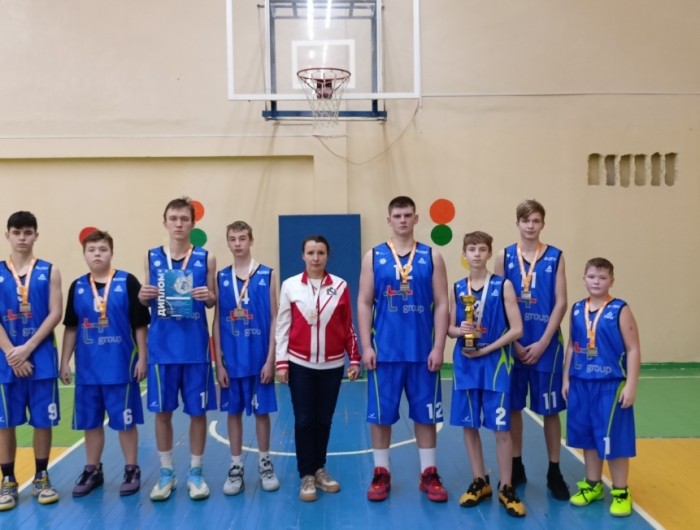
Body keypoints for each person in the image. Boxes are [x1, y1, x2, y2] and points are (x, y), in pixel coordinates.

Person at [357, 196, 450, 503]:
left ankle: (429, 473)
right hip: (384, 352)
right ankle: (381, 472)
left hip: (423, 352)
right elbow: (364, 302)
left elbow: (442, 303)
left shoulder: (432, 256)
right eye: (397, 216)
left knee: (426, 416)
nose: (402, 220)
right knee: (380, 417)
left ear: (416, 218)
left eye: (408, 215)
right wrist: (365, 346)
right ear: (389, 220)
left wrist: (439, 346)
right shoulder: (373, 256)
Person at [138, 197, 217, 501]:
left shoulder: (206, 258)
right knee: (163, 412)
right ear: (165, 222)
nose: (179, 224)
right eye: (173, 218)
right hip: (161, 348)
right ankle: (166, 472)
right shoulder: (151, 256)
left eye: (184, 219)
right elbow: (145, 298)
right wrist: (143, 295)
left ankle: (195, 473)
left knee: (197, 412)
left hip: (195, 349)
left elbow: (213, 300)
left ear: (193, 223)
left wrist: (208, 296)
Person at [60, 230, 149, 497]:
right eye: (92, 250)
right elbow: (71, 327)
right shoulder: (77, 286)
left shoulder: (127, 282)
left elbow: (140, 325)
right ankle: (92, 470)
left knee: (125, 423)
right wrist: (64, 361)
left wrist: (143, 357)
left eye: (102, 249)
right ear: (84, 254)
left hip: (121, 367)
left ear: (111, 253)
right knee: (91, 423)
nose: (97, 254)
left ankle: (131, 468)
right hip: (88, 370)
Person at [494, 199, 570, 500]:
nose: (530, 225)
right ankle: (516, 466)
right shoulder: (504, 256)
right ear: (517, 223)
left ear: (542, 224)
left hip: (545, 345)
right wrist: (512, 341)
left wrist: (544, 341)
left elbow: (561, 302)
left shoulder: (555, 256)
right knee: (514, 407)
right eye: (525, 220)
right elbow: (497, 300)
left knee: (550, 411)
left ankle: (554, 471)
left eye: (535, 220)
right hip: (514, 345)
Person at [275, 235, 360, 502]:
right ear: (303, 255)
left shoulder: (340, 285)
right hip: (300, 364)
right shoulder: (290, 285)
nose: (315, 258)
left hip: (332, 365)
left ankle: (319, 469)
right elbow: (282, 326)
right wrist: (281, 362)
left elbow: (347, 325)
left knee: (324, 419)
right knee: (304, 419)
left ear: (327, 255)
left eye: (320, 252)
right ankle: (306, 475)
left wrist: (354, 358)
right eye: (310, 252)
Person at [448, 231, 526, 517]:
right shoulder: (458, 287)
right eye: (472, 249)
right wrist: (460, 330)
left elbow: (517, 329)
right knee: (469, 425)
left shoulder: (503, 285)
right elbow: (449, 329)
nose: (477, 254)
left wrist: (488, 349)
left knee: (501, 429)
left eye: (482, 249)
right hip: (466, 364)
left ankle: (506, 485)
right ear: (464, 254)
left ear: (489, 253)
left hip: (496, 365)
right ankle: (480, 480)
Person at [563, 258, 640, 517]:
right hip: (580, 383)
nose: (596, 282)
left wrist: (631, 384)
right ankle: (593, 485)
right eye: (592, 276)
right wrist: (566, 379)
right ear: (584, 279)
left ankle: (621, 491)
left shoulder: (620, 309)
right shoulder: (577, 309)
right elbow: (571, 346)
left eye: (602, 277)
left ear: (611, 281)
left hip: (610, 385)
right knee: (587, 437)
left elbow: (633, 348)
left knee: (613, 440)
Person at [0, 211, 62, 511]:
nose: (22, 237)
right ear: (7, 235)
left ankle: (41, 476)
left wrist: (27, 348)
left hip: (40, 358)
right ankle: (8, 480)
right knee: (4, 423)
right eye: (17, 232)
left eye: (28, 232)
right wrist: (12, 353)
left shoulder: (50, 271)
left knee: (42, 421)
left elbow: (55, 313)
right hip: (5, 360)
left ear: (36, 235)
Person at [213, 221, 280, 495]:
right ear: (228, 242)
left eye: (242, 238)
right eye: (233, 238)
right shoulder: (220, 277)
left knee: (262, 413)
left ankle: (265, 464)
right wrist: (218, 363)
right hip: (232, 360)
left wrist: (271, 359)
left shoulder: (267, 274)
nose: (238, 243)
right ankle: (236, 466)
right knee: (233, 413)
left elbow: (275, 318)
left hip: (259, 358)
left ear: (251, 240)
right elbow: (217, 321)